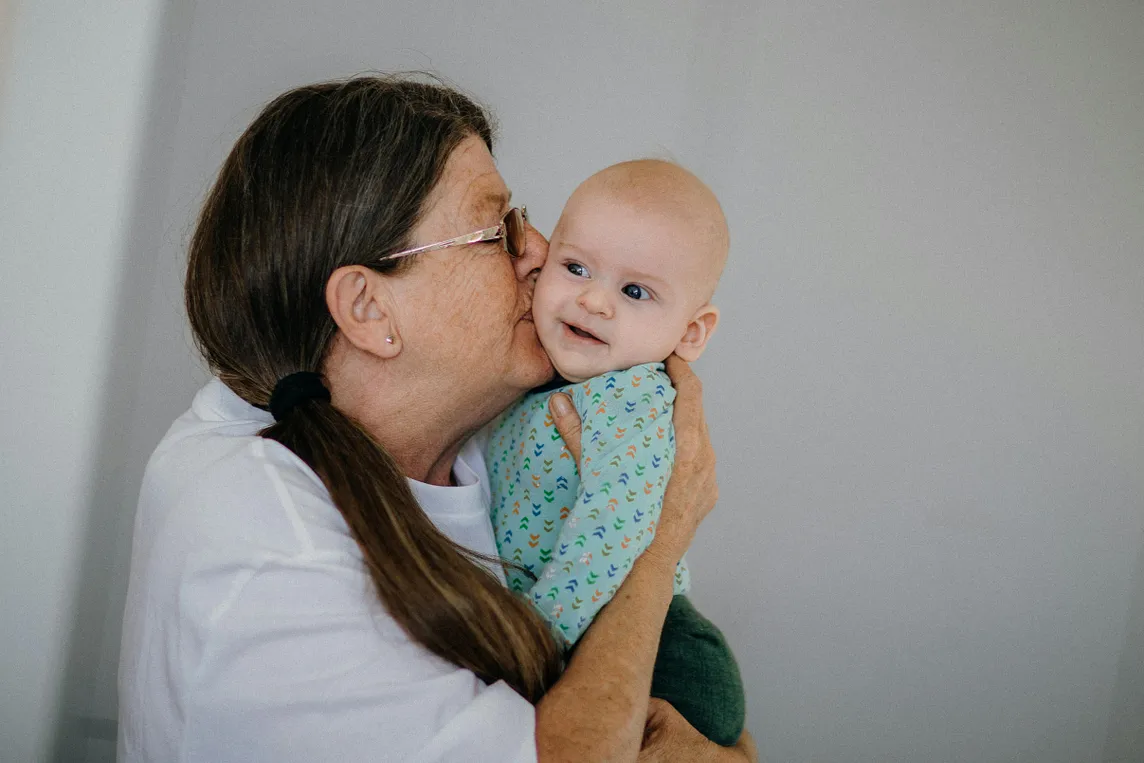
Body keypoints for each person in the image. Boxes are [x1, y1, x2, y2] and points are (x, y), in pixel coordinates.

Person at [117, 75, 756, 762]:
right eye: (496, 229)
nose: (541, 250)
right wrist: (663, 542)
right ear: (368, 309)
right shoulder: (267, 544)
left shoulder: (477, 434)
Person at [487, 160, 744, 745]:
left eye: (634, 291)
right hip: (586, 625)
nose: (594, 301)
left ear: (691, 333)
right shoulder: (538, 377)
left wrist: (534, 638)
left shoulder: (636, 400)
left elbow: (615, 530)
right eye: (575, 267)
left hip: (664, 657)